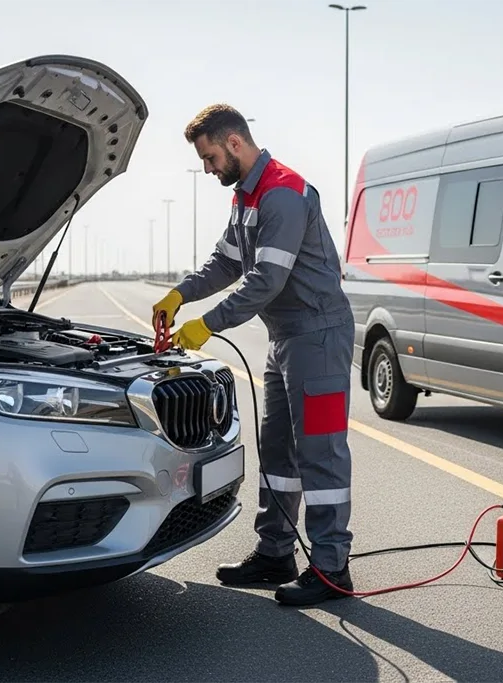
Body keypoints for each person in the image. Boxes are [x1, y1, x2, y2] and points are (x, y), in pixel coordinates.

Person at [151, 104, 356, 606]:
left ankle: (331, 569)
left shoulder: (282, 192)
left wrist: (207, 324)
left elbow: (267, 279)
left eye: (210, 157)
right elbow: (225, 263)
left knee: (322, 456)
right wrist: (180, 295)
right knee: (280, 452)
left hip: (320, 339)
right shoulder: (247, 196)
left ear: (235, 143)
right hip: (285, 340)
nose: (208, 168)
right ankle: (275, 554)